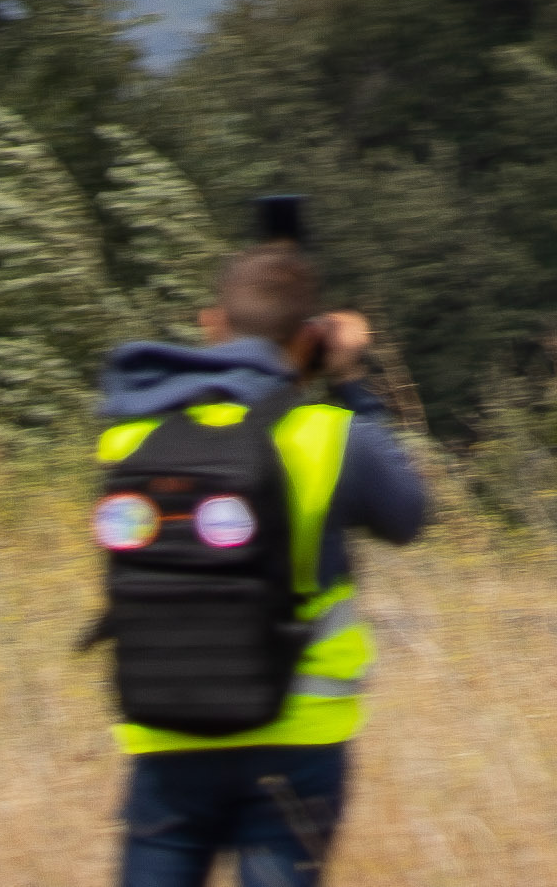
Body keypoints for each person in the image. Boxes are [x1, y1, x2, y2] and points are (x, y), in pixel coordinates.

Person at [95, 242, 433, 887]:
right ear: (312, 337)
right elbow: (409, 516)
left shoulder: (128, 439)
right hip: (297, 734)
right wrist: (350, 382)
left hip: (169, 727)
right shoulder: (334, 438)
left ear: (211, 324)